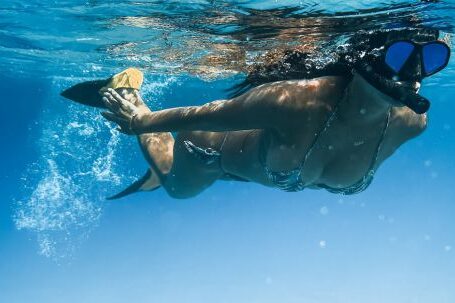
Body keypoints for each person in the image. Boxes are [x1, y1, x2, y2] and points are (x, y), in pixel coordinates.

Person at [62, 28, 451, 199]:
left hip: (255, 166)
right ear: (365, 58)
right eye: (400, 54)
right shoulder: (296, 101)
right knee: (178, 189)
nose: (413, 71)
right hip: (209, 150)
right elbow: (204, 115)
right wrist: (139, 121)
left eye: (432, 58)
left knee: (234, 175)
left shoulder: (411, 123)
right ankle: (129, 90)